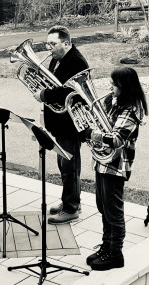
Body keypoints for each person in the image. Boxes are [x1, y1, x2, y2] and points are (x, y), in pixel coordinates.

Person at [82, 67, 147, 271]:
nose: (110, 87)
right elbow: (103, 124)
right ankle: (106, 247)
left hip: (117, 164)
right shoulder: (115, 102)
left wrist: (92, 133)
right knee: (102, 206)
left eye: (114, 84)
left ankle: (115, 254)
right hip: (103, 161)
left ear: (124, 86)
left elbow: (117, 138)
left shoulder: (132, 109)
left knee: (113, 210)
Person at [33, 25, 89, 224]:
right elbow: (53, 82)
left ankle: (71, 208)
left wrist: (44, 95)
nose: (49, 47)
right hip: (59, 122)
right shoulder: (58, 59)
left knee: (69, 166)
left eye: (53, 43)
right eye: (48, 43)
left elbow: (67, 92)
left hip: (70, 123)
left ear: (66, 43)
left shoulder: (76, 61)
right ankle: (70, 201)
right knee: (64, 164)